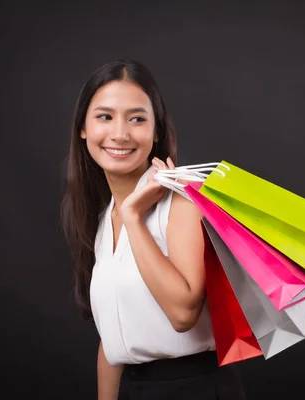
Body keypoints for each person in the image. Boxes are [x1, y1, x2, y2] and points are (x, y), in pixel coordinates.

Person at [61, 60, 247, 399]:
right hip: (135, 388)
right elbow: (114, 340)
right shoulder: (105, 218)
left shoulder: (183, 200)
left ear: (156, 130)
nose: (120, 133)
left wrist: (134, 219)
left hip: (195, 389)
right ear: (83, 128)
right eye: (105, 116)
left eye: (137, 119)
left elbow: (183, 314)